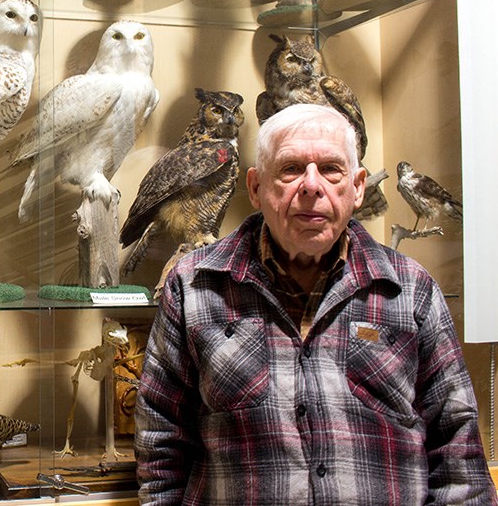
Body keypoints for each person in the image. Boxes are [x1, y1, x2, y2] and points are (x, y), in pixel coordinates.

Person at [135, 103, 496, 505]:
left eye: (331, 169)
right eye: (290, 169)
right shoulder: (194, 286)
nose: (311, 185)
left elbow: (457, 448)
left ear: (358, 187)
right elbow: (161, 442)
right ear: (255, 188)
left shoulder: (411, 289)